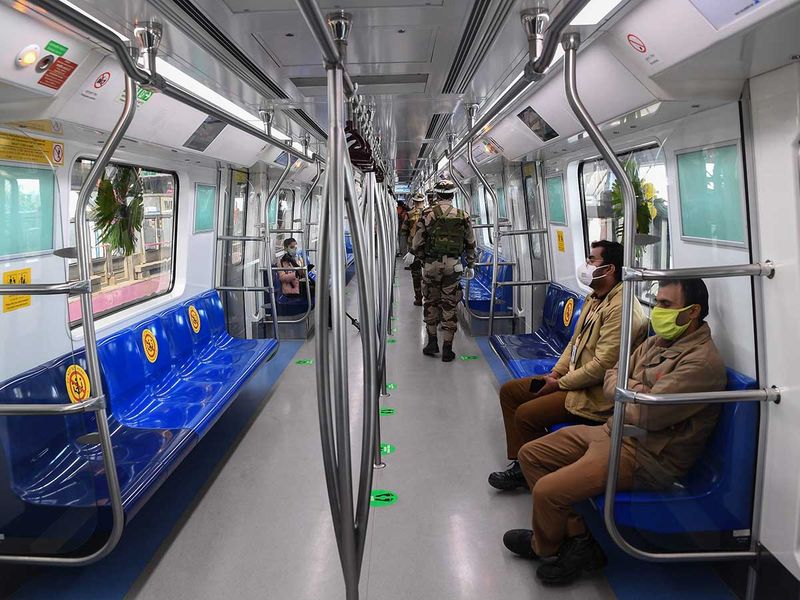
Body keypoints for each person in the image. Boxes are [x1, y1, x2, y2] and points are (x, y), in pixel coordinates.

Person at [502, 278, 727, 585]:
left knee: (547, 491)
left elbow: (648, 412)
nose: (658, 311)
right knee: (532, 454)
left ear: (692, 312)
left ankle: (544, 546)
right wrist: (635, 389)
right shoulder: (657, 342)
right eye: (657, 302)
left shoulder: (702, 363)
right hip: (614, 430)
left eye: (666, 305)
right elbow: (614, 374)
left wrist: (627, 390)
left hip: (647, 456)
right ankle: (579, 538)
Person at [488, 241, 648, 490]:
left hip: (593, 394)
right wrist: (556, 372)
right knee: (510, 392)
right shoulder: (595, 297)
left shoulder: (622, 309)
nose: (586, 265)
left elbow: (602, 366)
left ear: (610, 269)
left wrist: (558, 384)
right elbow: (575, 341)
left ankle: (540, 474)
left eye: (592, 260)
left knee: (526, 415)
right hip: (570, 379)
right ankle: (522, 464)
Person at [411, 178, 477, 362]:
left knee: (431, 302)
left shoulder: (427, 214)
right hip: (453, 266)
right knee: (449, 304)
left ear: (437, 195)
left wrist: (423, 258)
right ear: (453, 195)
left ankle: (432, 343)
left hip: (431, 265)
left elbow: (417, 243)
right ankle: (448, 348)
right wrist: (470, 264)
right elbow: (470, 243)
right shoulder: (463, 216)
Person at [400, 192, 427, 305]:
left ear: (414, 202)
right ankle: (428, 298)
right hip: (427, 249)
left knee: (416, 275)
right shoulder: (430, 213)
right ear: (423, 202)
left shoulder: (409, 214)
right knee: (428, 274)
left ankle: (418, 298)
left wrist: (409, 243)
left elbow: (404, 231)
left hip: (414, 249)